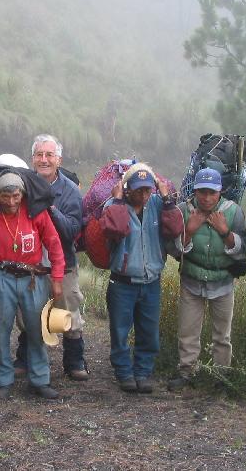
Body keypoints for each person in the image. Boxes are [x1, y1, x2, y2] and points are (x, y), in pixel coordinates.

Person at [0, 172, 65, 400]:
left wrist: (58, 279)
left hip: (33, 278)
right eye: (5, 197)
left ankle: (40, 379)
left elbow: (54, 245)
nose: (11, 202)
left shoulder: (36, 212)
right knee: (1, 331)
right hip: (1, 277)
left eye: (15, 196)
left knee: (36, 329)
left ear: (22, 194)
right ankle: (3, 379)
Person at [100, 164, 183, 393]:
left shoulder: (158, 205)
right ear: (127, 189)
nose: (143, 195)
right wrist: (117, 201)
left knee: (148, 331)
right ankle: (124, 373)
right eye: (138, 190)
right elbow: (114, 230)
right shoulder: (113, 206)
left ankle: (143, 372)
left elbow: (176, 228)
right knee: (120, 330)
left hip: (151, 281)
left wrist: (166, 197)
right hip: (122, 282)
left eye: (148, 190)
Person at [14, 135, 87, 381]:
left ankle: (74, 359)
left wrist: (49, 209)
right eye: (39, 155)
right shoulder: (21, 186)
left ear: (59, 160)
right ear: (32, 158)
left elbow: (72, 231)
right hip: (31, 265)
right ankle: (26, 357)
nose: (44, 160)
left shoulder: (69, 191)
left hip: (63, 263)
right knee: (28, 313)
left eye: (49, 155)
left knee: (68, 309)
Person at [167, 168, 246, 390]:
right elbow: (175, 250)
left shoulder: (233, 212)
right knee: (188, 331)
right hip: (192, 279)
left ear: (220, 191)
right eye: (202, 192)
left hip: (223, 281)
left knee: (222, 334)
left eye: (212, 192)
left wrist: (225, 232)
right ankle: (186, 372)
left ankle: (221, 375)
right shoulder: (184, 211)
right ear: (195, 191)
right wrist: (189, 231)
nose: (207, 197)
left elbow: (242, 250)